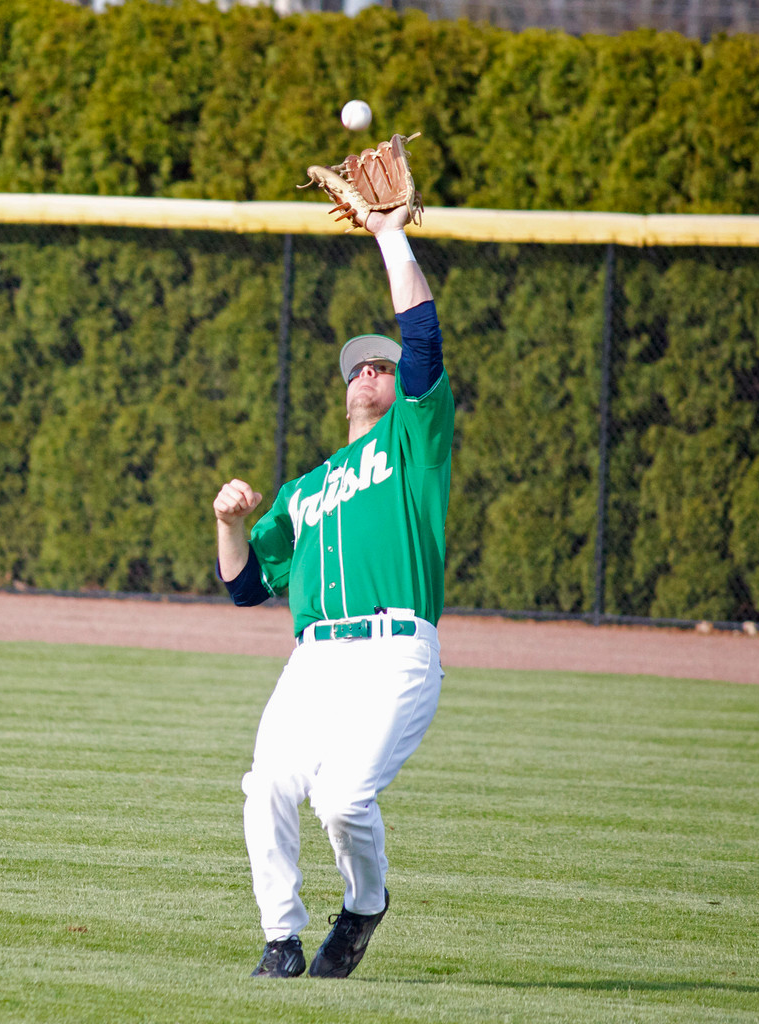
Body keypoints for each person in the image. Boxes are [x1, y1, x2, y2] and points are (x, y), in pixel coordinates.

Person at [212, 204, 454, 979]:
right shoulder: (304, 488)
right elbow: (246, 588)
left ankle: (363, 906)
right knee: (268, 786)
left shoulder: (411, 443)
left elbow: (421, 334)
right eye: (360, 365)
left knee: (344, 798)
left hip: (394, 653)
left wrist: (389, 235)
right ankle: (280, 939)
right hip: (313, 660)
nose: (371, 372)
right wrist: (227, 521)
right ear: (345, 386)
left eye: (382, 366)